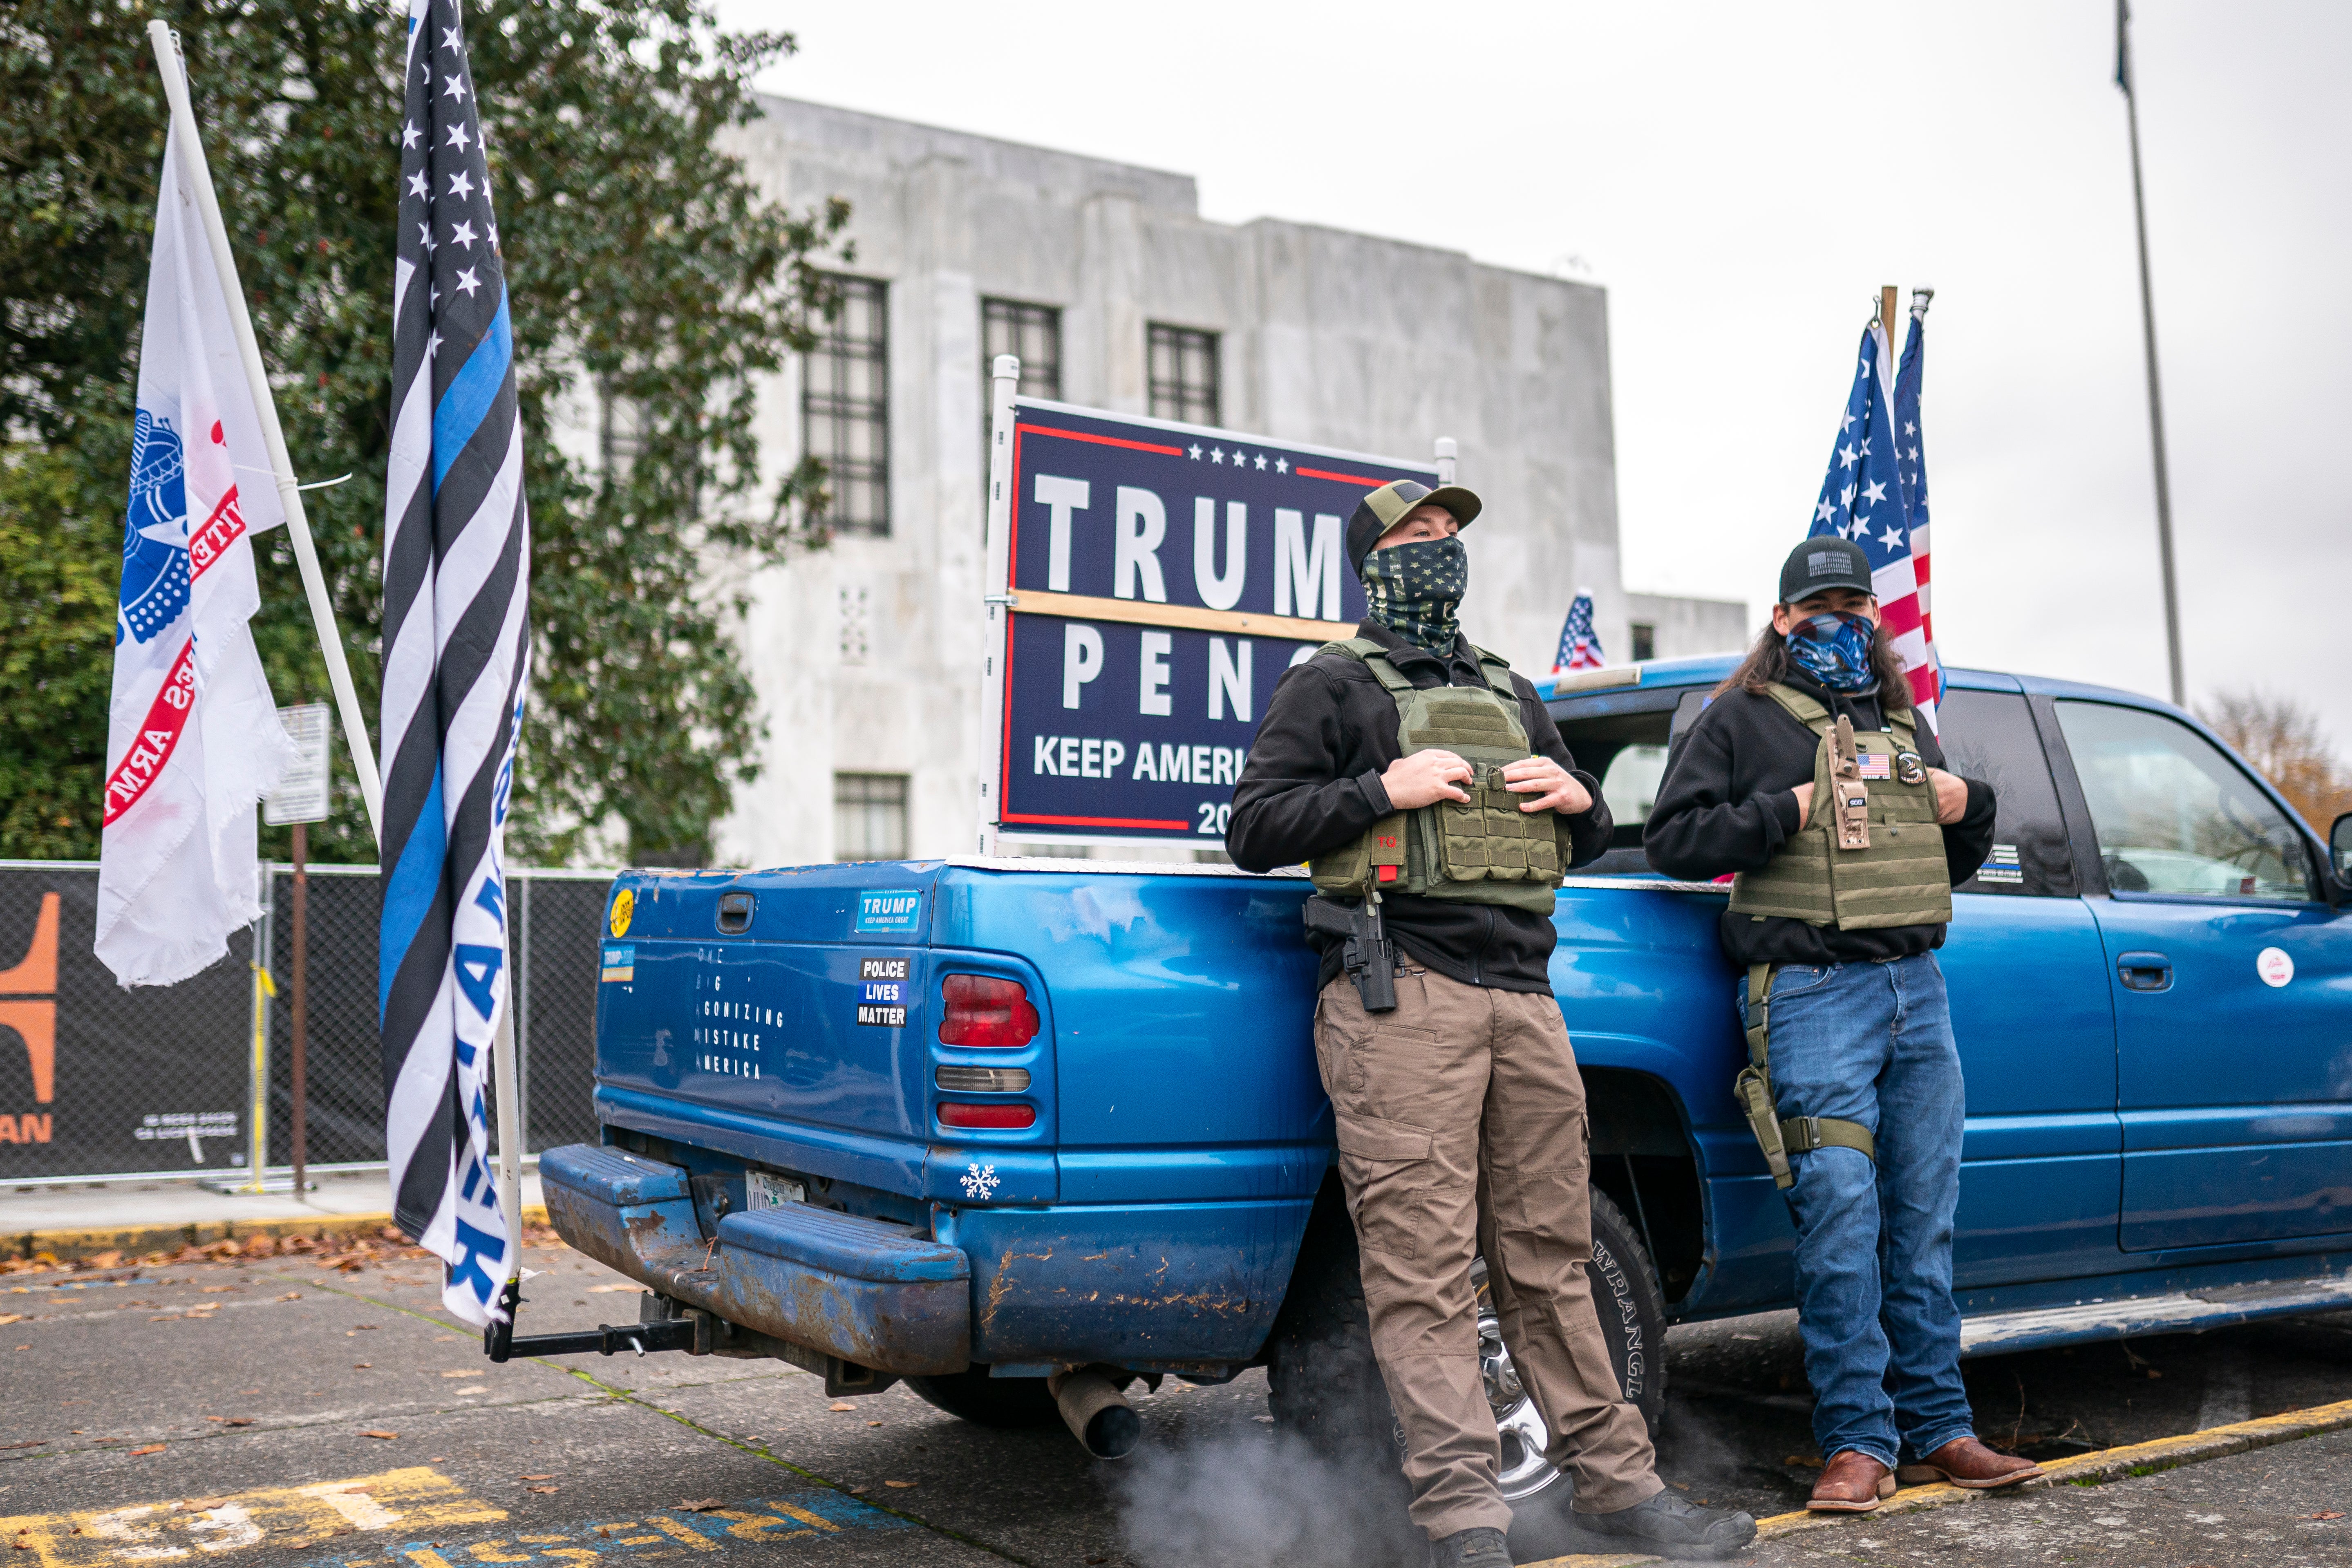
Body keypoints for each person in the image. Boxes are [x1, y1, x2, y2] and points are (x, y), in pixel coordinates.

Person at [1230, 479, 1757, 1566]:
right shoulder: (1330, 683)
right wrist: (1381, 784)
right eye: (1417, 536)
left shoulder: (1512, 687)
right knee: (1422, 1271)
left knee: (1552, 1257)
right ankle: (1464, 1523)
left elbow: (1582, 822)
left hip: (1523, 999)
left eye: (1450, 535)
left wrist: (1580, 804)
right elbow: (1256, 826)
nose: (1439, 550)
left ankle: (1620, 1488)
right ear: (1374, 561)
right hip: (1399, 994)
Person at [1642, 536, 2040, 1512]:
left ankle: (1939, 1428)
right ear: (1781, 620)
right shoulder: (1736, 717)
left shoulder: (1901, 722)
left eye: (1854, 605)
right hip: (1811, 993)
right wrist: (1785, 807)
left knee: (1922, 1225)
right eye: (1817, 606)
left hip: (1916, 988)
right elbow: (1674, 839)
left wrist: (1969, 803)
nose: (1839, 620)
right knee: (1837, 1217)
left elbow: (1933, 865)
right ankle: (1858, 1441)